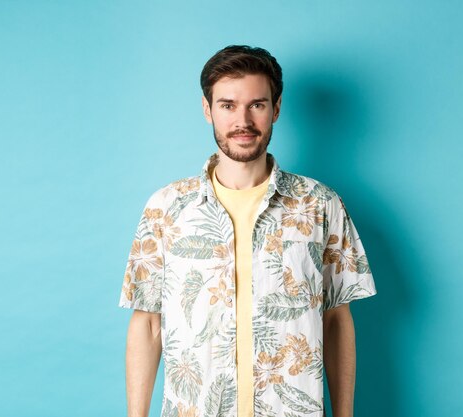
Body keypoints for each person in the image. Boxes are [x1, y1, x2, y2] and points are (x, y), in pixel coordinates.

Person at [119, 45, 377, 417]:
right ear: (207, 110)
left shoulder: (320, 205)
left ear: (276, 108)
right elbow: (147, 324)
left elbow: (337, 320)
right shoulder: (166, 208)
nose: (243, 120)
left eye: (256, 104)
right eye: (227, 105)